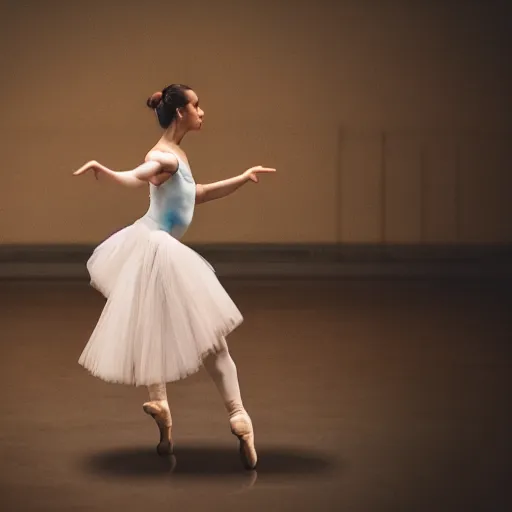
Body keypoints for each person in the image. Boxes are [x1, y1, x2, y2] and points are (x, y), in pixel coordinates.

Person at [73, 83, 276, 470]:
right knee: (211, 341)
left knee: (155, 329)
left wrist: (241, 177)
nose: (203, 112)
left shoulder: (176, 154)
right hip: (156, 246)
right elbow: (138, 176)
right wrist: (106, 170)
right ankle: (238, 416)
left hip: (153, 247)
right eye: (197, 105)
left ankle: (165, 413)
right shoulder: (162, 157)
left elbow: (195, 193)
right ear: (181, 112)